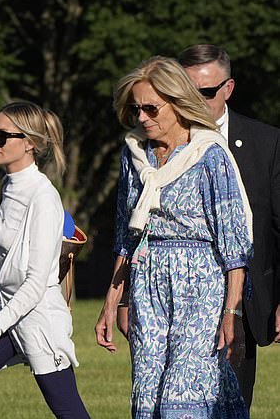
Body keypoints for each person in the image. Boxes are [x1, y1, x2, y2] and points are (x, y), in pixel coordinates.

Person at [95, 56, 252, 418]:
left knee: (183, 396)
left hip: (201, 286)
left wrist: (232, 311)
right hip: (148, 284)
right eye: (136, 109)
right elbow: (125, 235)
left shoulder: (210, 155)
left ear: (178, 103)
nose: (142, 118)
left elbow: (234, 246)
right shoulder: (133, 155)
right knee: (149, 394)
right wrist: (113, 299)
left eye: (151, 108)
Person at [0, 102, 90, 419]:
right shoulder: (10, 185)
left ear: (30, 143)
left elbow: (36, 282)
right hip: (6, 314)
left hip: (37, 319)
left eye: (2, 136)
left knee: (70, 412)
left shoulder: (42, 197)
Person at [177, 44, 280, 409]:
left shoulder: (265, 142)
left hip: (243, 305)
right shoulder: (161, 143)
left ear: (228, 89)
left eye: (205, 93)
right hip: (178, 300)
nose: (194, 101)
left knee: (232, 406)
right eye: (185, 91)